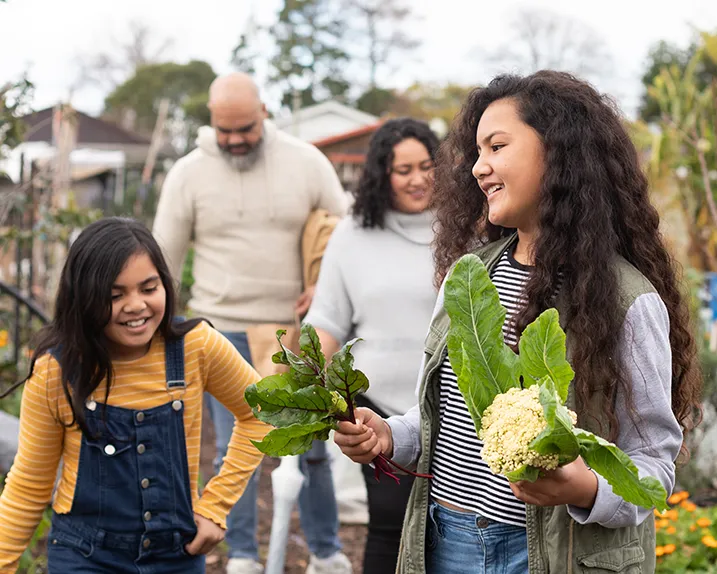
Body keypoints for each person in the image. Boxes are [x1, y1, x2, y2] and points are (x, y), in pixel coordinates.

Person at [333, 71, 703, 574]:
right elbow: (447, 421)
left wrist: (586, 487)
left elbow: (654, 465)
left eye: (497, 146)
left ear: (559, 152)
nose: (479, 168)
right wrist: (388, 436)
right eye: (477, 152)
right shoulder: (468, 278)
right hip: (446, 543)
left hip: (551, 556)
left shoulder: (626, 300)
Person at [152, 72, 351, 574]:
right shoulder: (187, 174)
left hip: (295, 331)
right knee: (236, 447)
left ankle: (325, 551)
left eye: (245, 127)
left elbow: (346, 235)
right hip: (221, 330)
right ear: (211, 122)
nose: (236, 139)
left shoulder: (307, 163)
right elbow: (162, 262)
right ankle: (241, 553)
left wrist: (327, 285)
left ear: (264, 112)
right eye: (225, 130)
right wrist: (162, 331)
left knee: (310, 447)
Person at [0, 217, 269, 573]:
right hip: (84, 556)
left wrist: (216, 505)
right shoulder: (57, 371)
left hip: (176, 556)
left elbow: (263, 412)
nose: (136, 305)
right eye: (115, 295)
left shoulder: (195, 347)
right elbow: (30, 486)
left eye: (148, 287)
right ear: (84, 299)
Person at [304, 118, 440, 574]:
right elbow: (327, 320)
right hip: (375, 408)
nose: (418, 178)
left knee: (454, 525)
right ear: (382, 174)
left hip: (454, 406)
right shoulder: (352, 235)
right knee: (389, 524)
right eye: (404, 170)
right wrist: (300, 380)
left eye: (427, 165)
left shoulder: (467, 229)